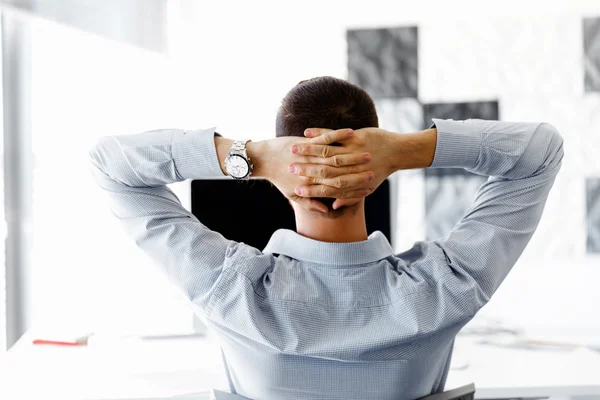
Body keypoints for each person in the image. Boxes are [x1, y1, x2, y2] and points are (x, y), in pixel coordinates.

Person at [89, 76, 563, 400]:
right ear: (378, 175)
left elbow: (111, 165)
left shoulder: (229, 290)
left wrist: (248, 157)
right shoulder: (445, 288)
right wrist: (405, 150)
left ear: (278, 173)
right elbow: (540, 152)